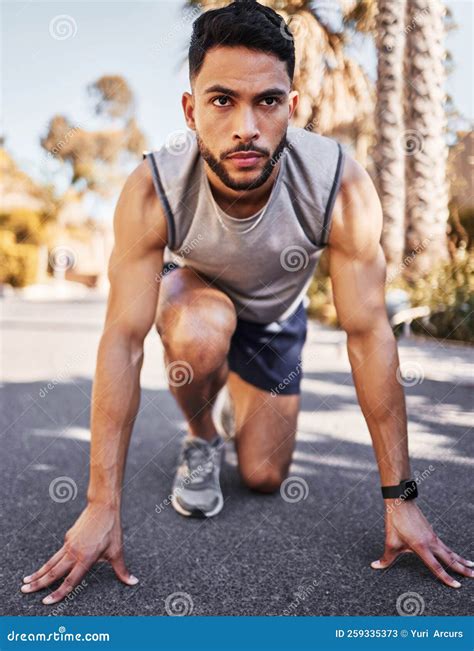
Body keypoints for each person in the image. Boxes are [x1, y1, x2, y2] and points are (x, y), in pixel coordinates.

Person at [21, 0, 472, 606]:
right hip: (197, 299)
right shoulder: (153, 189)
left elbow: (369, 334)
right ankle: (203, 435)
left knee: (263, 477)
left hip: (275, 318)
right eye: (222, 100)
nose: (246, 127)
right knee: (204, 327)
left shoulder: (340, 185)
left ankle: (241, 395)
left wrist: (401, 500)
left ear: (292, 105)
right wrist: (102, 504)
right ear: (190, 109)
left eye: (267, 101)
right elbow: (123, 341)